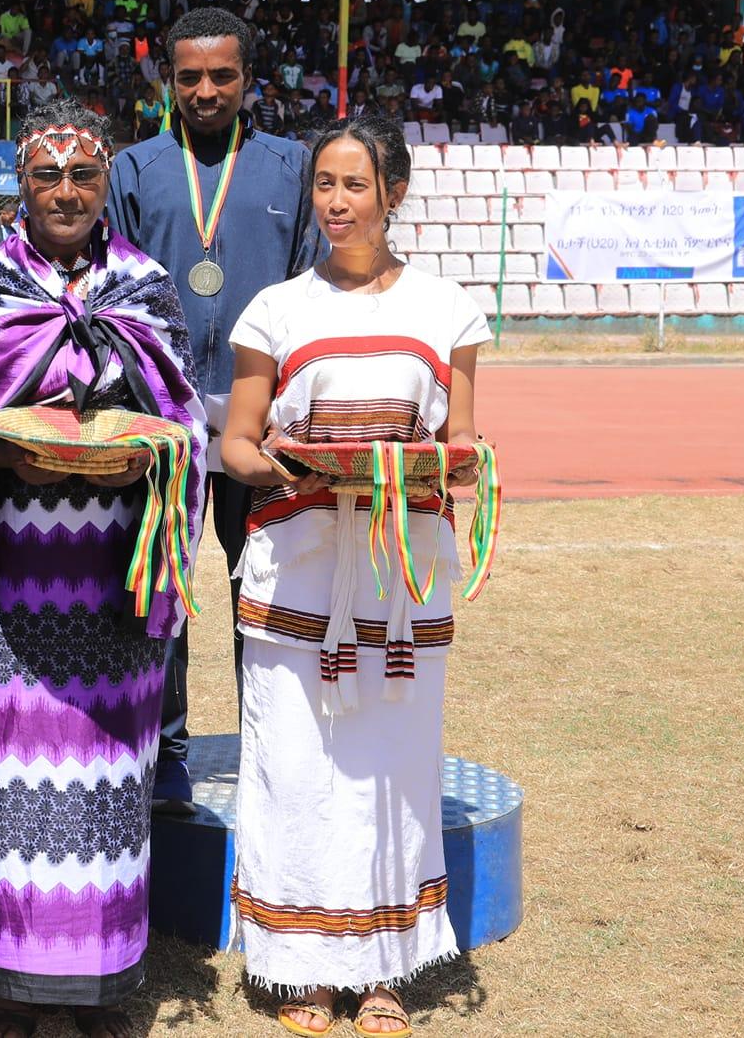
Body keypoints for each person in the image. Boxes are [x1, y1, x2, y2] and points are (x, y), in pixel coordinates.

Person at [0, 102, 206, 1038]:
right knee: (10, 787)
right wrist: (2, 454)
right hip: (7, 586)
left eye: (82, 175)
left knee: (109, 788)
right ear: (22, 184)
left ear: (105, 180)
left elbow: (187, 422)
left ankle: (101, 988)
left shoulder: (146, 287)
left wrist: (140, 456)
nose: (65, 192)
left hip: (115, 583)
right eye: (47, 175)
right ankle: (15, 992)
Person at [218, 111, 489, 1037]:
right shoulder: (275, 308)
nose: (337, 202)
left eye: (356, 185)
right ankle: (304, 970)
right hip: (298, 568)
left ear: (394, 193)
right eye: (325, 185)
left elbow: (459, 447)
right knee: (297, 760)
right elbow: (237, 444)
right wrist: (294, 465)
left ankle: (383, 969)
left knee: (391, 767)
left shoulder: (448, 309)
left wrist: (433, 466)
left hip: (399, 576)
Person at [103, 6, 321, 813]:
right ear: (168, 78)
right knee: (162, 588)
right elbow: (115, 291)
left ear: (248, 79)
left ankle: (269, 748)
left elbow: (310, 291)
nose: (205, 91)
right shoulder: (134, 169)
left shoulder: (291, 166)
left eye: (222, 75)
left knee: (262, 590)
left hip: (259, 427)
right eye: (189, 76)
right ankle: (166, 753)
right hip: (164, 423)